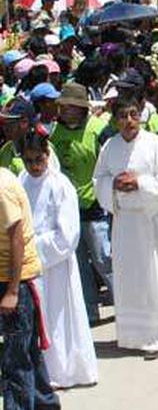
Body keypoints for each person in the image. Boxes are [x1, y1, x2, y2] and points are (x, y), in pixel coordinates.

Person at [93, 97, 158, 359]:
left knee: (152, 276)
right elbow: (99, 178)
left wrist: (139, 183)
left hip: (148, 221)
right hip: (124, 224)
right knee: (128, 278)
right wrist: (114, 186)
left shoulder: (156, 144)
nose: (128, 121)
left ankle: (154, 337)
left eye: (133, 115)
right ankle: (131, 335)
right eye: (122, 116)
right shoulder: (110, 146)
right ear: (115, 119)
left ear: (140, 115)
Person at [19, 131, 97, 389]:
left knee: (59, 317)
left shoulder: (60, 185)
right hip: (30, 265)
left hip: (55, 264)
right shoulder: (22, 181)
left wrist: (33, 246)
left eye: (38, 160)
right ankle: (41, 371)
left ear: (47, 154)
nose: (34, 166)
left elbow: (68, 236)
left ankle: (64, 371)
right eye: (28, 161)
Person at [0, 162, 61, 410]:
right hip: (9, 280)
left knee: (13, 362)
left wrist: (11, 290)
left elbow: (15, 236)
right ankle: (46, 408)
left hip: (13, 282)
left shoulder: (2, 187)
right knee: (26, 351)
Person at [48, 82, 112, 324]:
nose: (65, 111)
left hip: (94, 206)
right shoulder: (56, 133)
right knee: (79, 265)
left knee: (103, 259)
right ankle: (89, 311)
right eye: (62, 106)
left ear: (81, 108)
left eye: (70, 107)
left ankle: (124, 302)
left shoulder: (99, 130)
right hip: (69, 210)